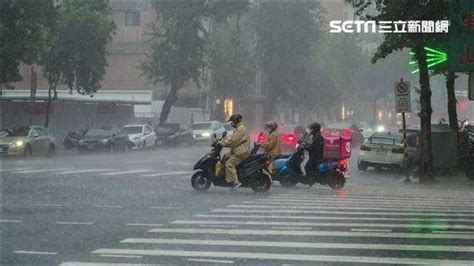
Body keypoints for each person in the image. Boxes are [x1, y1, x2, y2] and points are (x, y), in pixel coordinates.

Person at [218, 114, 250, 191]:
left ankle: (236, 181)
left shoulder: (241, 129)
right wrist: (222, 140)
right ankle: (226, 177)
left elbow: (233, 141)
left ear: (236, 121)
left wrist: (221, 143)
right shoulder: (239, 129)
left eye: (232, 121)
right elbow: (231, 138)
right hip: (237, 151)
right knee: (225, 157)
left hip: (240, 153)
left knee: (229, 164)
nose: (231, 123)